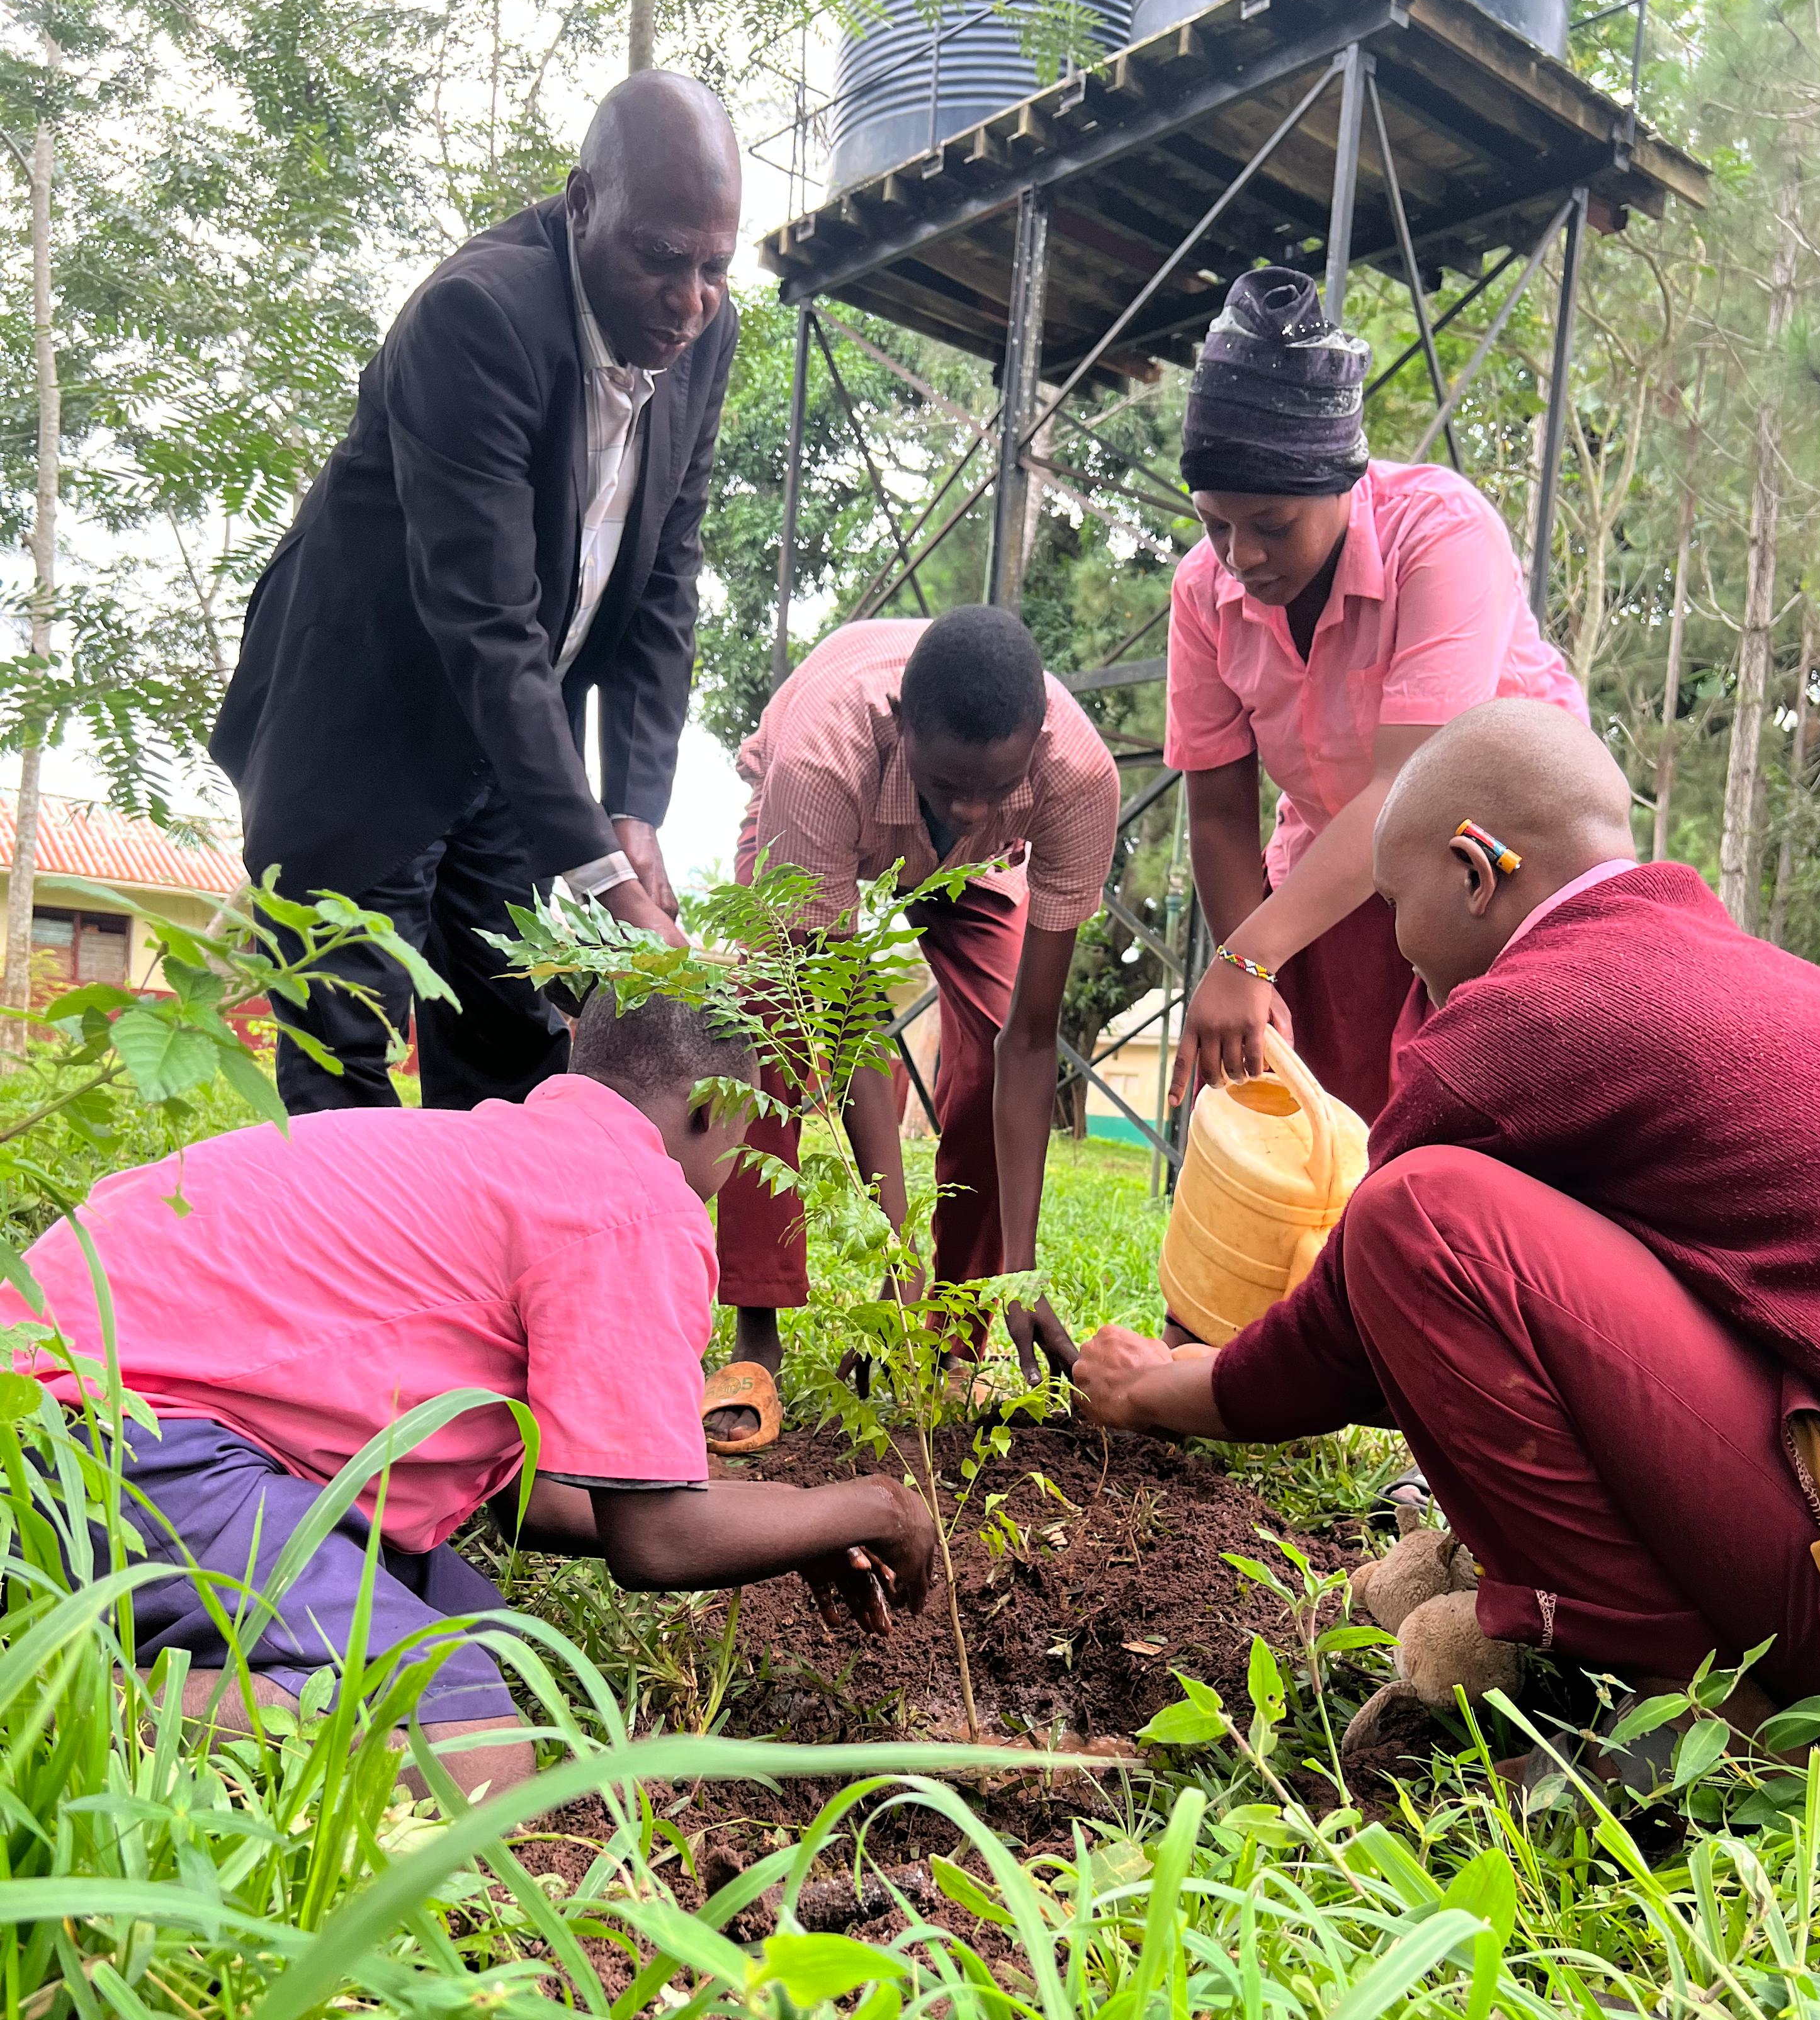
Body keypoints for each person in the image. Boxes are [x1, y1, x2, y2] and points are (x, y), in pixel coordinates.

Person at [1073, 701, 1820, 1752]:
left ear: (1475, 870)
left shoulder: (1527, 1016)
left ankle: (1692, 1710)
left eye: (1392, 900)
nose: (1396, 943)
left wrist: (1152, 1388)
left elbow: (1344, 1334)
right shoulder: (1732, 975)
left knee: (1416, 1218)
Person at [8, 991, 935, 1802]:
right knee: (474, 1758)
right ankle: (55, 1693)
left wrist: (796, 1520)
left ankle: (106, 1638)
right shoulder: (634, 1202)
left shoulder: (505, 1154)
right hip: (109, 1437)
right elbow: (655, 1541)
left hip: (88, 1418)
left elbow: (538, 1503)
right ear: (715, 1109)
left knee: (489, 1638)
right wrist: (880, 1506)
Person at [210, 72, 742, 1115]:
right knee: (345, 1070)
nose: (688, 301)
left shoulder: (704, 338)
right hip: (362, 732)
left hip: (511, 752)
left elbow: (666, 578)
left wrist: (633, 814)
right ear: (582, 202)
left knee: (511, 1043)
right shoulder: (478, 316)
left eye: (714, 268)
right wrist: (608, 883)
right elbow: (487, 624)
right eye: (660, 257)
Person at [1165, 267, 1587, 1125]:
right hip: (1333, 861)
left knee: (1472, 1125)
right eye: (1216, 523)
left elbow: (1410, 792)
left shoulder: (1440, 533)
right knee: (1319, 1123)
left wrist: (1247, 959)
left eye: (1272, 525)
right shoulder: (1202, 591)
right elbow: (1217, 810)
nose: (1241, 557)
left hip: (1497, 860)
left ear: (1341, 485)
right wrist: (1252, 962)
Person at [710, 609, 1121, 1411]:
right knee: (773, 1021)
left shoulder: (1077, 779)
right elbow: (846, 1014)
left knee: (995, 1028)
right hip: (819, 816)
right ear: (902, 725)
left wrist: (1022, 1267)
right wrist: (895, 1251)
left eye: (995, 790)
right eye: (950, 787)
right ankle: (756, 1333)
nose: (970, 810)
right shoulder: (824, 754)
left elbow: (1029, 1039)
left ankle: (954, 1333)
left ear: (1036, 744)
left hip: (983, 867)